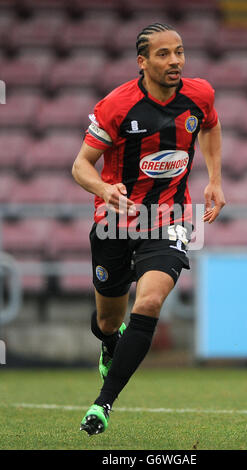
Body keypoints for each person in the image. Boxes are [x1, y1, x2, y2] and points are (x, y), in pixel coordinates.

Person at [72, 23, 225, 435]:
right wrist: (105, 189)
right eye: (163, 54)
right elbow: (80, 165)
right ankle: (109, 343)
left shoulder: (200, 95)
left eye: (179, 52)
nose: (175, 61)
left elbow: (209, 124)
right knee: (108, 321)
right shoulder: (117, 106)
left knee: (151, 301)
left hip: (170, 216)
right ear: (142, 62)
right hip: (117, 224)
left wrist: (214, 179)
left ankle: (102, 404)